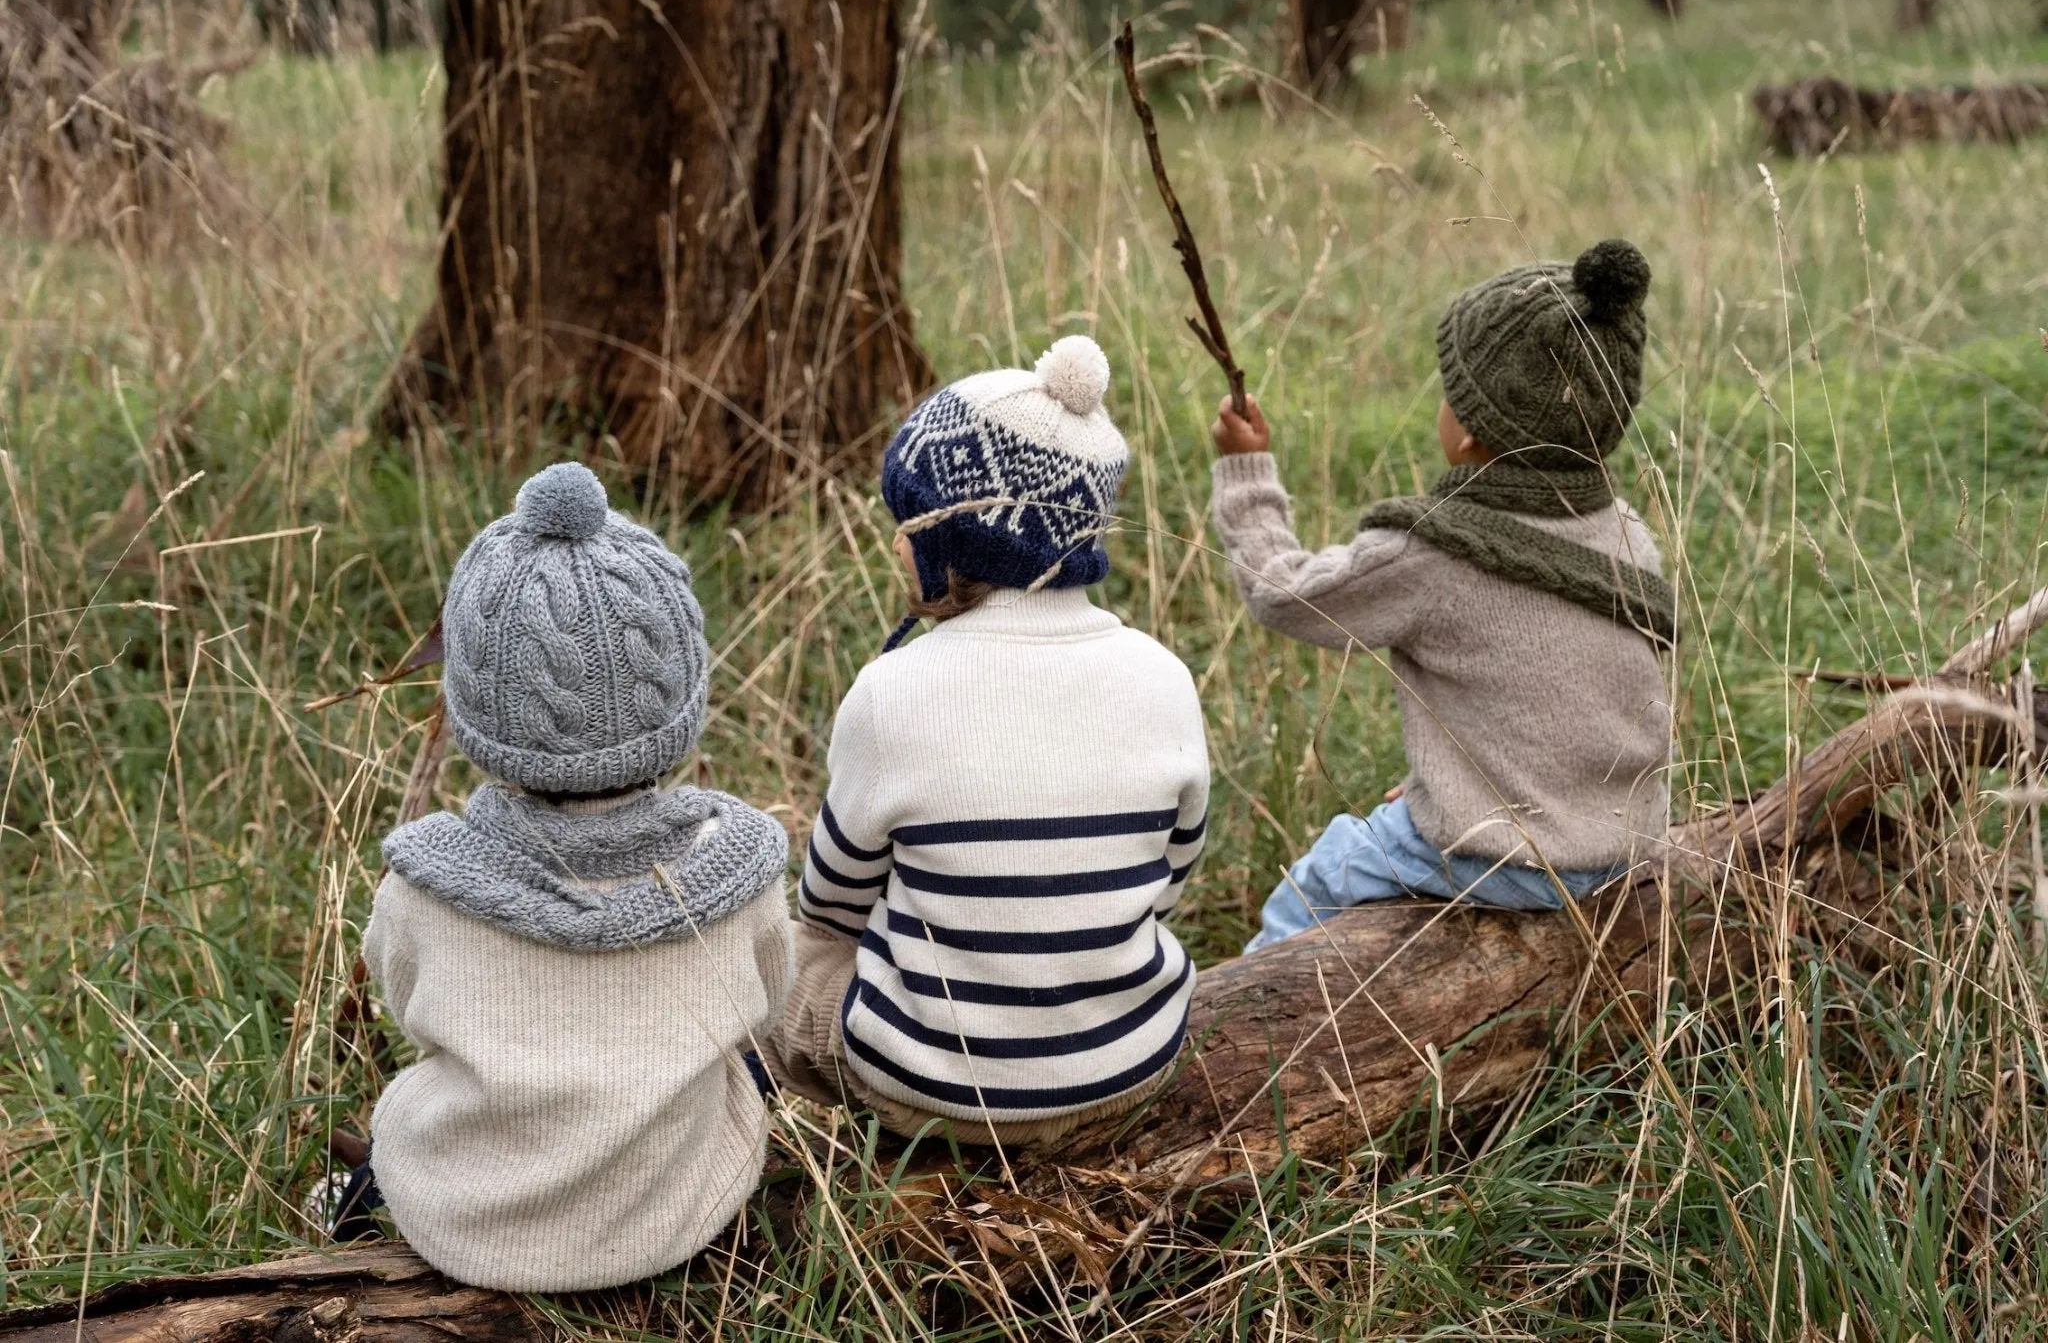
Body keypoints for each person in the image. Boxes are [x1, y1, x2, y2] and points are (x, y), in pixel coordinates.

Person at [356, 462, 793, 1291]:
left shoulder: (424, 881)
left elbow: (409, 1011)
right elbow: (765, 1004)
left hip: (468, 1219)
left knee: (409, 1099)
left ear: (476, 704)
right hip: (678, 1210)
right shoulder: (738, 870)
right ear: (678, 692)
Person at [767, 335, 1210, 1146]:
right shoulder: (1164, 677)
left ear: (954, 538)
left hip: (931, 1094)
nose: (896, 541)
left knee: (789, 956)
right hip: (1130, 1066)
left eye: (905, 521)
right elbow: (1171, 873)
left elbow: (830, 903)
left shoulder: (890, 692)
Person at [1208, 239, 1675, 952]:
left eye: (1451, 392)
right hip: (1624, 849)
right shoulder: (1627, 536)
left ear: (1469, 433)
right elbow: (1553, 704)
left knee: (1321, 875)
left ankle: (1243, 1017)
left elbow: (1285, 594)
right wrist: (1455, 785)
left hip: (1512, 860)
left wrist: (1246, 476)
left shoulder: (1436, 552)